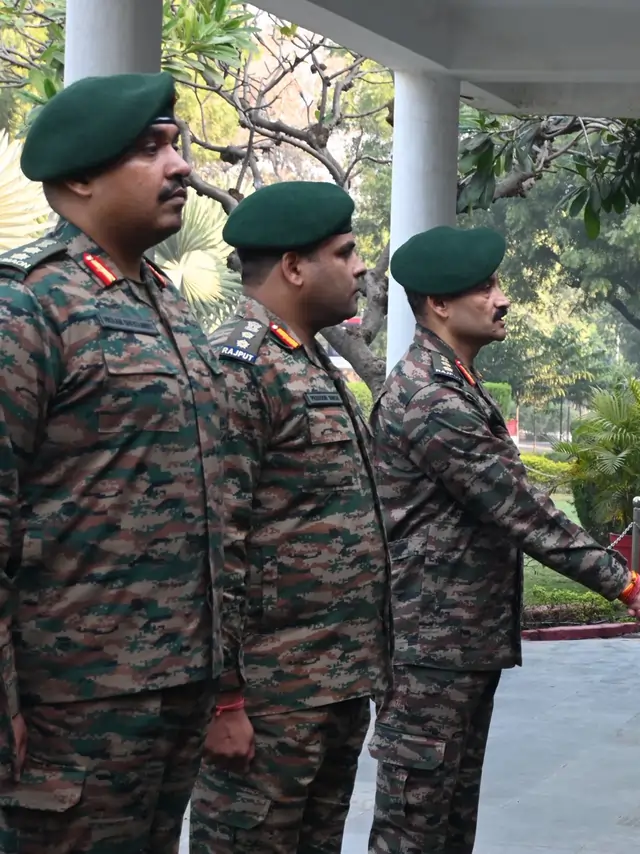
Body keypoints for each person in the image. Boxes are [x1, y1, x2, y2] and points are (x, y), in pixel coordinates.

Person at [365, 224, 640, 854]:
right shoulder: (432, 398)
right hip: (428, 649)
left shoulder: (454, 384)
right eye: (486, 287)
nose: (503, 298)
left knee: (447, 820)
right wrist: (629, 586)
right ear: (438, 303)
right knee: (416, 826)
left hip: (455, 644)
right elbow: (527, 514)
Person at [0, 72, 224, 851]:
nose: (180, 166)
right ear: (79, 177)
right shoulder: (26, 304)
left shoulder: (166, 303)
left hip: (175, 684)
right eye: (150, 149)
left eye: (176, 145)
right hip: (71, 702)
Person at [186, 182, 392, 852]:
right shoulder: (241, 368)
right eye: (346, 251)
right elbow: (216, 545)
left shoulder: (310, 362)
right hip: (269, 699)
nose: (362, 267)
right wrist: (224, 701)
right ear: (295, 267)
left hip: (329, 687)